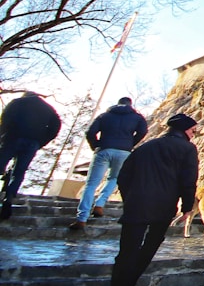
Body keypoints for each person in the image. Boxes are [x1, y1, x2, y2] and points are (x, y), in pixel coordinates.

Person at [106, 112, 199, 286]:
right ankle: (129, 285)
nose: (194, 134)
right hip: (163, 206)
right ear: (184, 129)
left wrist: (130, 197)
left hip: (136, 204)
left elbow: (124, 176)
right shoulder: (187, 149)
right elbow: (188, 180)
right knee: (149, 247)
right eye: (193, 130)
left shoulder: (146, 146)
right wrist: (187, 206)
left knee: (127, 251)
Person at [68, 96, 148, 230]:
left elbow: (90, 132)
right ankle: (100, 204)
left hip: (104, 149)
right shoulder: (137, 117)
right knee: (114, 179)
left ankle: (82, 218)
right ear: (130, 105)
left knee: (91, 184)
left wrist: (96, 146)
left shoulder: (104, 116)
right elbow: (143, 131)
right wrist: (130, 144)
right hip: (124, 152)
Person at [0, 91, 61, 220]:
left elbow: (5, 118)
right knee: (19, 171)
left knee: (1, 163)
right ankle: (9, 199)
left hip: (13, 138)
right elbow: (56, 126)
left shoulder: (17, 102)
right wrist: (41, 141)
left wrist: (3, 135)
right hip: (32, 143)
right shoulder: (49, 109)